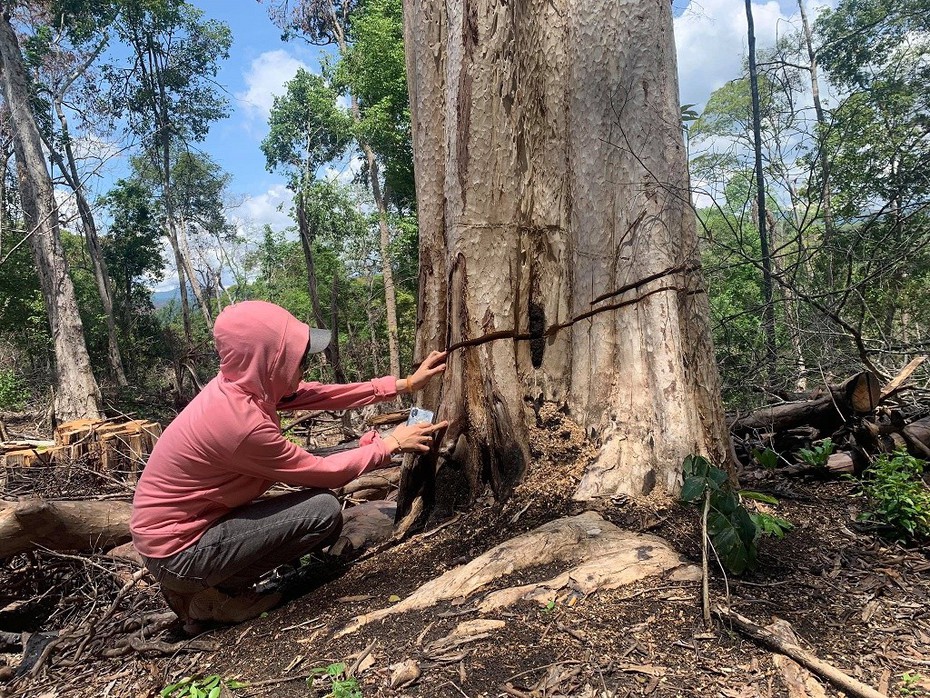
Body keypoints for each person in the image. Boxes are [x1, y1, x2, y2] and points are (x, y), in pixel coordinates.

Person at [130, 300, 447, 633]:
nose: (303, 368)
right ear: (269, 360)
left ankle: (203, 588)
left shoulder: (242, 385)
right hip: (178, 552)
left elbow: (314, 395)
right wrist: (390, 444)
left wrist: (403, 385)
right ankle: (215, 597)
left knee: (334, 481)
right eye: (296, 358)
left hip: (185, 531)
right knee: (322, 512)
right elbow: (324, 473)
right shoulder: (241, 425)